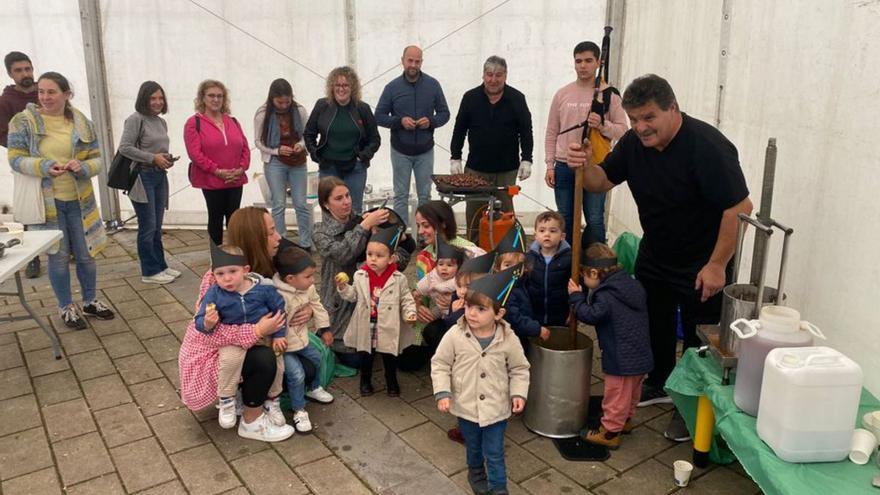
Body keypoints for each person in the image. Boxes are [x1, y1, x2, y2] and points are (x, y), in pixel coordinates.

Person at [565, 74, 752, 442]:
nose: (640, 127)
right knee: (655, 323)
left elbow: (739, 207)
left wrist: (717, 265)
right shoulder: (635, 144)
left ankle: (693, 404)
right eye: (634, 119)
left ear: (673, 108)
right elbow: (601, 181)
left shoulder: (708, 147)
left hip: (702, 260)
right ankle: (661, 382)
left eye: (649, 117)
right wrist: (584, 164)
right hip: (656, 253)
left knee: (701, 338)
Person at [179, 206, 312, 442]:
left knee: (307, 371)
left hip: (264, 341)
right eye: (271, 232)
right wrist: (258, 330)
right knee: (265, 360)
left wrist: (307, 308)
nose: (279, 237)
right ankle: (251, 419)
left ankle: (262, 398)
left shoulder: (267, 266)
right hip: (216, 353)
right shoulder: (219, 279)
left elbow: (295, 291)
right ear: (254, 239)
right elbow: (208, 334)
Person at [7, 72, 115, 329]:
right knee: (58, 257)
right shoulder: (22, 122)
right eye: (41, 91)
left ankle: (89, 301)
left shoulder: (82, 122)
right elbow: (15, 158)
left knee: (87, 254)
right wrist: (44, 166)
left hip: (80, 202)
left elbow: (99, 159)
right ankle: (66, 306)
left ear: (66, 94)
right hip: (47, 205)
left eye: (51, 92)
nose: (45, 97)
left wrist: (84, 166)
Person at [431, 267, 530, 495]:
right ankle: (475, 471)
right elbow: (440, 364)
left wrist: (518, 393)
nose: (471, 313)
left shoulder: (508, 338)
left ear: (498, 314)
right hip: (466, 407)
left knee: (495, 452)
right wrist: (443, 392)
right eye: (468, 306)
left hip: (496, 408)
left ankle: (498, 488)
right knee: (474, 447)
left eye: (480, 309)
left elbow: (519, 368)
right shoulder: (455, 335)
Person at [313, 177, 413, 368]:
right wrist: (365, 227)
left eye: (348, 195)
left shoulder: (365, 218)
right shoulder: (320, 231)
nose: (346, 201)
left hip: (375, 299)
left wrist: (392, 240)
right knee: (356, 358)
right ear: (326, 204)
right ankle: (330, 338)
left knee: (392, 352)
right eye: (339, 198)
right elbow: (343, 255)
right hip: (340, 302)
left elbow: (399, 261)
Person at [193, 243, 288, 429]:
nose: (227, 278)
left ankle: (273, 400)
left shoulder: (264, 289)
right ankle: (227, 400)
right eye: (220, 274)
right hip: (233, 339)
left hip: (264, 336)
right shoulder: (214, 293)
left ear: (245, 270)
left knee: (278, 364)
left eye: (233, 271)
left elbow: (279, 310)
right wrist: (207, 323)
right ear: (213, 276)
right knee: (228, 360)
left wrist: (279, 335)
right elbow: (199, 320)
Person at [568, 243, 652, 449]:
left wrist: (577, 297)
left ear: (594, 272)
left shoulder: (606, 296)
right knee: (632, 392)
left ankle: (610, 432)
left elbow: (591, 315)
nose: (584, 281)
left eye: (584, 276)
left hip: (620, 357)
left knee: (616, 395)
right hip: (640, 353)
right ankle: (626, 421)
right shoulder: (631, 285)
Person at [545, 41, 628, 244]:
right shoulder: (562, 94)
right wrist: (550, 165)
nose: (583, 66)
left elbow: (623, 131)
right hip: (564, 164)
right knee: (564, 217)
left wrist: (602, 125)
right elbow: (552, 132)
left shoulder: (609, 95)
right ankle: (567, 262)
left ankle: (595, 265)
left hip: (595, 166)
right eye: (578, 61)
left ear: (598, 62)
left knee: (594, 218)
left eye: (588, 61)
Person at [450, 55, 533, 241]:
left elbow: (526, 130)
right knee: (474, 214)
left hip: (507, 169)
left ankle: (506, 253)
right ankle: (473, 252)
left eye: (498, 75)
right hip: (476, 169)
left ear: (505, 76)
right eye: (489, 74)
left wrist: (527, 158)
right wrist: (455, 156)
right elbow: (459, 129)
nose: (493, 79)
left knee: (505, 213)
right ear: (483, 75)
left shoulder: (517, 98)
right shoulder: (470, 97)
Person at [335, 225, 418, 397]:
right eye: (369, 254)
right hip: (367, 322)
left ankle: (391, 380)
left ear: (391, 258)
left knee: (389, 355)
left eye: (379, 256)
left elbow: (406, 298)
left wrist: (410, 312)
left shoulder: (398, 279)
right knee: (366, 355)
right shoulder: (360, 275)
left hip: (388, 323)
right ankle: (365, 380)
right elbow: (353, 296)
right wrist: (343, 287)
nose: (372, 259)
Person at [375, 45, 450, 221]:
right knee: (400, 196)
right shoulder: (392, 87)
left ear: (422, 62)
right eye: (410, 60)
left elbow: (445, 113)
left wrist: (431, 121)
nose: (413, 65)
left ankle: (424, 238)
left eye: (417, 61)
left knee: (425, 196)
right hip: (400, 150)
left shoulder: (433, 85)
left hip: (425, 151)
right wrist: (399, 122)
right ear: (402, 61)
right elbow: (378, 116)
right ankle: (402, 239)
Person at [118, 80, 180, 285]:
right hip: (142, 177)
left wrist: (165, 159)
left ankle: (160, 265)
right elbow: (125, 148)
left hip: (158, 176)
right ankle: (149, 271)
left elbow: (155, 149)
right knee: (148, 225)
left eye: (160, 98)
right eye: (153, 98)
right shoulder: (135, 120)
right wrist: (152, 158)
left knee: (157, 225)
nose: (157, 102)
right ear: (143, 99)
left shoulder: (160, 121)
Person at [272, 245, 335, 433]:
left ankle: (314, 387)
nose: (312, 280)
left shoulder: (307, 288)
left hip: (302, 339)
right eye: (308, 276)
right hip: (284, 346)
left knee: (317, 357)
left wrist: (324, 328)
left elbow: (317, 305)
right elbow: (275, 324)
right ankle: (299, 409)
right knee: (296, 374)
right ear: (290, 279)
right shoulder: (277, 296)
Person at [304, 66, 380, 214]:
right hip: (328, 168)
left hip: (355, 168)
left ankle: (354, 237)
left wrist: (363, 156)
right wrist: (316, 154)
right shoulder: (322, 106)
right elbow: (309, 133)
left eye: (345, 85)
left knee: (354, 210)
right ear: (332, 87)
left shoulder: (362, 109)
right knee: (329, 211)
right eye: (338, 85)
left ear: (353, 87)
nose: (341, 89)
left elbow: (375, 139)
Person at [184, 79, 250, 245]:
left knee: (234, 220)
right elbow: (195, 153)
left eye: (219, 96)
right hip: (212, 180)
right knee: (215, 218)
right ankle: (218, 258)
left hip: (235, 179)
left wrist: (241, 169)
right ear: (202, 98)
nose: (215, 99)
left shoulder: (233, 121)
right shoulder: (194, 123)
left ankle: (236, 254)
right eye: (211, 95)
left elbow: (245, 148)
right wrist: (217, 171)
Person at [254, 78, 313, 249]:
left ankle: (305, 243)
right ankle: (281, 243)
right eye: (279, 102)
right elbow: (258, 142)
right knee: (278, 203)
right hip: (274, 162)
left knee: (301, 203)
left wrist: (300, 145)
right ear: (272, 98)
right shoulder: (262, 113)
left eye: (287, 102)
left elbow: (307, 135)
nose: (284, 105)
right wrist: (277, 151)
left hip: (298, 161)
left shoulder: (299, 110)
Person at [1, 51, 40, 278]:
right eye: (19, 70)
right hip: (25, 166)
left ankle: (72, 248)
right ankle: (33, 257)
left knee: (62, 206)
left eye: (28, 69)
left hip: (54, 162)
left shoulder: (45, 92)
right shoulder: (5, 102)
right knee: (30, 212)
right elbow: (2, 135)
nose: (25, 74)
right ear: (9, 74)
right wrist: (25, 151)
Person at [492, 221, 551, 349]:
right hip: (509, 340)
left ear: (524, 268)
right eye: (507, 265)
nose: (513, 269)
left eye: (518, 265)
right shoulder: (504, 291)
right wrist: (536, 329)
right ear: (498, 268)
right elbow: (514, 318)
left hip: (521, 336)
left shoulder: (521, 283)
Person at [525, 211, 572, 327]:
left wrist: (574, 311)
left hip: (561, 315)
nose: (547, 234)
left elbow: (578, 286)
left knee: (559, 342)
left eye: (552, 231)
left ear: (562, 236)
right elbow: (524, 286)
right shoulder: (529, 258)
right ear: (535, 235)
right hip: (534, 315)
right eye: (542, 230)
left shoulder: (569, 259)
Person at [414, 239, 464, 319]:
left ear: (458, 267)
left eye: (449, 265)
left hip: (458, 310)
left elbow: (451, 286)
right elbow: (420, 287)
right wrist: (417, 294)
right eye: (440, 264)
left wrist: (436, 287)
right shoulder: (432, 276)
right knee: (431, 317)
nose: (444, 268)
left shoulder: (460, 278)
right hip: (439, 307)